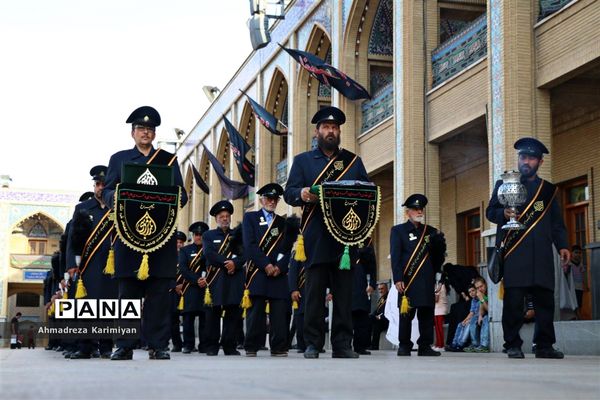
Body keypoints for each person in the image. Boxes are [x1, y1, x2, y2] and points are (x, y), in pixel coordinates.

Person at [284, 106, 370, 359]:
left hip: (345, 237)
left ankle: (343, 344)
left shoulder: (353, 161)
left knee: (344, 294)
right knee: (314, 293)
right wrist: (301, 194)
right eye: (326, 127)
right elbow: (289, 193)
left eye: (335, 128)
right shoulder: (302, 161)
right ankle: (313, 343)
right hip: (316, 235)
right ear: (317, 131)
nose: (331, 131)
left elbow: (366, 193)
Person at [103, 106, 188, 360]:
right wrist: (117, 196)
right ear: (133, 133)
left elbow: (181, 194)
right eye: (141, 129)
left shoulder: (168, 160)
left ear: (154, 134)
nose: (146, 133)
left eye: (150, 129)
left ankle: (158, 345)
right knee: (127, 293)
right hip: (128, 236)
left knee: (159, 294)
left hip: (161, 237)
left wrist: (169, 198)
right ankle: (124, 345)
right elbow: (107, 192)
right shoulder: (119, 159)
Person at [486, 137, 569, 359]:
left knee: (544, 302)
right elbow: (490, 212)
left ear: (540, 162)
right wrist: (502, 214)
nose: (526, 161)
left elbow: (556, 223)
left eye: (531, 158)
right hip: (515, 253)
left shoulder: (548, 191)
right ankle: (512, 344)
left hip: (542, 254)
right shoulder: (505, 184)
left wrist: (563, 246)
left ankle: (544, 345)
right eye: (523, 157)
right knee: (513, 302)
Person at [66, 165, 118, 359]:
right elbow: (72, 238)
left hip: (111, 265)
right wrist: (71, 263)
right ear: (94, 186)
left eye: (105, 184)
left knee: (108, 305)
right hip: (88, 264)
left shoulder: (117, 207)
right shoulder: (83, 208)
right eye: (97, 184)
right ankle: (84, 347)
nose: (100, 188)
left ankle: (106, 346)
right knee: (86, 306)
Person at [390, 194, 446, 356]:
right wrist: (398, 278)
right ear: (408, 212)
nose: (419, 211)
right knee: (406, 314)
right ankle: (404, 345)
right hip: (408, 280)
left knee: (426, 314)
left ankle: (425, 346)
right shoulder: (398, 231)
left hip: (427, 279)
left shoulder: (431, 232)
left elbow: (438, 258)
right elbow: (396, 256)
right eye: (415, 209)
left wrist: (438, 278)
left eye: (420, 209)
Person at [242, 183, 291, 357]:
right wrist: (266, 265)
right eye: (268, 198)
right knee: (255, 313)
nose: (271, 201)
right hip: (258, 271)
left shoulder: (283, 222)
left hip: (278, 273)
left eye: (274, 199)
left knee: (279, 313)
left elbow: (288, 249)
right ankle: (252, 346)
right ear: (262, 200)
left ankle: (278, 347)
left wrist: (279, 266)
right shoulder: (251, 218)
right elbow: (250, 245)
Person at [202, 200, 245, 356]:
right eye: (221, 216)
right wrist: (227, 263)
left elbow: (245, 254)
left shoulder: (238, 234)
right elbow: (209, 254)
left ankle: (229, 346)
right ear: (216, 219)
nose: (225, 218)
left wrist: (235, 263)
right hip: (216, 279)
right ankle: (212, 346)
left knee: (233, 313)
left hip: (234, 278)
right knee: (213, 313)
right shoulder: (208, 235)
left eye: (227, 216)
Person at [178, 222, 210, 353]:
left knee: (204, 318)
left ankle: (204, 345)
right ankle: (188, 345)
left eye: (201, 234)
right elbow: (184, 269)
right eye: (197, 234)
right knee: (188, 319)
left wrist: (206, 279)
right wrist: (197, 280)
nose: (199, 237)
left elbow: (212, 267)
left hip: (206, 288)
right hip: (190, 288)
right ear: (193, 235)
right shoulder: (185, 250)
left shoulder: (209, 249)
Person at [351, 242, 377, 355]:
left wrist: (372, 283)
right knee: (346, 317)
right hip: (346, 283)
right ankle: (344, 345)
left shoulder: (367, 240)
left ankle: (360, 346)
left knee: (361, 317)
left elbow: (372, 265)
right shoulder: (341, 236)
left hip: (362, 285)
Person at [169, 231, 187, 352]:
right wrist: (174, 285)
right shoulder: (168, 257)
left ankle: (188, 344)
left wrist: (183, 285)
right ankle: (177, 344)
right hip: (171, 291)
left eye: (181, 242)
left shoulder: (186, 255)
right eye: (177, 242)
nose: (179, 245)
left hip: (185, 290)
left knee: (187, 318)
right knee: (173, 319)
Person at [433, 272, 450, 351]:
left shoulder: (439, 286)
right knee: (438, 328)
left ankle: (441, 345)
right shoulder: (444, 285)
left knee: (439, 328)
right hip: (439, 308)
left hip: (439, 309)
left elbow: (436, 299)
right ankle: (437, 344)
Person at [370, 282, 389, 350]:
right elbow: (376, 311)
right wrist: (372, 316)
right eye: (379, 289)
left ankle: (374, 346)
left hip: (387, 320)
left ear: (386, 288)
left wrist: (379, 317)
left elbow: (388, 312)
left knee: (377, 324)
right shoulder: (381, 299)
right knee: (368, 320)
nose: (380, 291)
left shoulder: (389, 298)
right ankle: (366, 344)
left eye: (382, 289)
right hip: (380, 319)